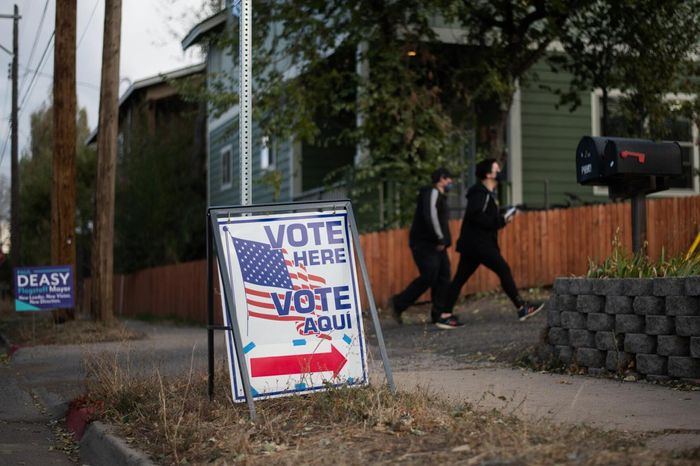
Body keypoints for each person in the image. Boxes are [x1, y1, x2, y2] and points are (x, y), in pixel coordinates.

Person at [434, 159, 544, 322]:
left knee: (460, 278)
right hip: (479, 244)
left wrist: (501, 215)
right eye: (496, 169)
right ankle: (522, 308)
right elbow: (476, 215)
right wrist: (500, 221)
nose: (499, 171)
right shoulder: (479, 193)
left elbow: (482, 214)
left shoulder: (485, 194)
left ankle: (444, 314)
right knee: (503, 269)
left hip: (473, 244)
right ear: (487, 174)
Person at [388, 167, 464, 330]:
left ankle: (439, 314)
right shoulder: (432, 193)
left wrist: (442, 240)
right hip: (424, 243)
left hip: (437, 244)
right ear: (442, 179)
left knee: (444, 276)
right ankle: (398, 303)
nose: (451, 182)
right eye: (449, 179)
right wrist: (440, 238)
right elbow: (431, 216)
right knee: (430, 275)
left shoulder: (440, 196)